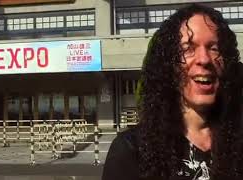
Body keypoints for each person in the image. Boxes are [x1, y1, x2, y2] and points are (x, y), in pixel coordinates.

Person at [102, 3, 243, 180]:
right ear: (169, 65)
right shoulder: (131, 150)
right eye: (188, 48)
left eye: (214, 48)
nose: (204, 59)